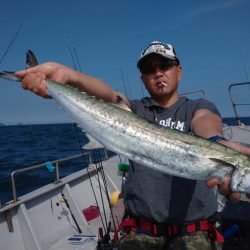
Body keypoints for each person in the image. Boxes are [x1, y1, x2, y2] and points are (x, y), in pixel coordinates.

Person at [15, 41, 250, 250]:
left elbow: (207, 123)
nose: (158, 74)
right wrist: (67, 76)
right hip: (140, 230)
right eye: (149, 70)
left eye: (165, 66)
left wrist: (217, 142)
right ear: (142, 79)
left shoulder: (197, 106)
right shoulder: (136, 109)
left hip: (194, 231)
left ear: (179, 70)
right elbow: (108, 95)